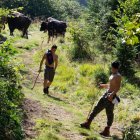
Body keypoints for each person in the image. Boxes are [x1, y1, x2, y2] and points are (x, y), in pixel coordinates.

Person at [80, 61, 121, 136]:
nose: (110, 67)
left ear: (112, 66)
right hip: (106, 94)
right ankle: (88, 122)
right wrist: (104, 85)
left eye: (111, 66)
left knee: (109, 113)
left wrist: (111, 95)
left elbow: (118, 87)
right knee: (96, 107)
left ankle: (107, 130)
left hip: (110, 97)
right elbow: (112, 85)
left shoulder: (118, 76)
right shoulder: (113, 74)